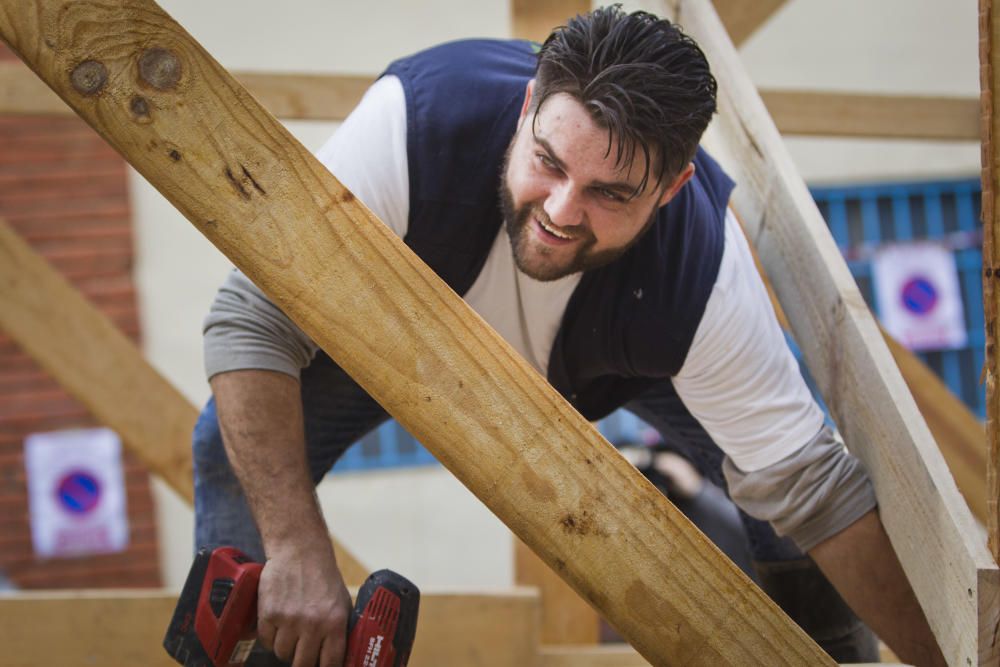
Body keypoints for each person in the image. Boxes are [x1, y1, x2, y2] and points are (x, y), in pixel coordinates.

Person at [194, 7, 945, 666]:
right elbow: (252, 317)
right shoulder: (416, 124)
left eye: (609, 194)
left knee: (782, 520)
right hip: (406, 331)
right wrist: (295, 549)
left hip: (620, 363)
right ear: (529, 105)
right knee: (227, 446)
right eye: (547, 162)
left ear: (672, 186)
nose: (559, 208)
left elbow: (813, 490)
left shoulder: (700, 274)